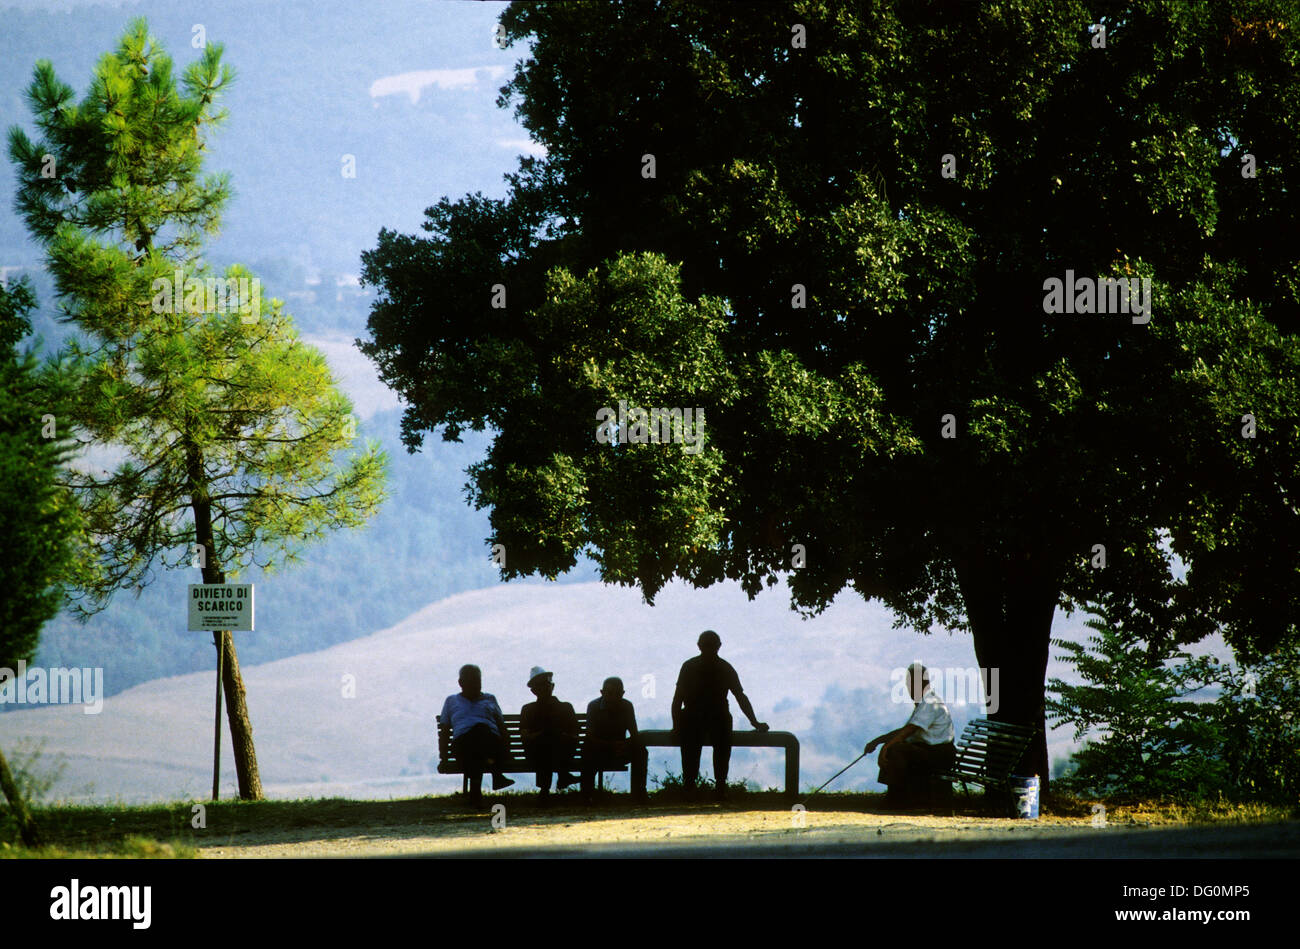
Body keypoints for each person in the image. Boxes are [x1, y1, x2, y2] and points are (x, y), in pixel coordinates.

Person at [671, 630, 768, 800]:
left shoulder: (691, 666)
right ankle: (717, 787)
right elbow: (740, 697)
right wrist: (755, 722)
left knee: (693, 751)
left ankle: (693, 787)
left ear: (699, 646)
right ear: (719, 646)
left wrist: (676, 725)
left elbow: (677, 700)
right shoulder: (723, 667)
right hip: (710, 717)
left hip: (701, 717)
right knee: (713, 749)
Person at [863, 662, 956, 809]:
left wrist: (886, 747)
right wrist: (878, 741)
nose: (909, 688)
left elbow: (909, 730)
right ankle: (897, 797)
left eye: (911, 683)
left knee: (896, 749)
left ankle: (896, 798)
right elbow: (905, 730)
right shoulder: (924, 703)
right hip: (930, 752)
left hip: (940, 754)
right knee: (897, 747)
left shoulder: (930, 702)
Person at [440, 664, 515, 807]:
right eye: (471, 681)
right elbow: (444, 731)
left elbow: (501, 726)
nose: (476, 685)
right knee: (477, 736)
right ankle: (496, 776)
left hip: (490, 744)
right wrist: (443, 758)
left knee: (481, 734)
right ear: (461, 683)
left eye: (477, 681)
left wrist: (507, 749)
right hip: (464, 745)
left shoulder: (490, 699)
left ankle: (475, 793)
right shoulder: (451, 701)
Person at [580, 677, 649, 804]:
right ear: (602, 693)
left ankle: (640, 793)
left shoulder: (627, 706)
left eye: (617, 694)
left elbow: (634, 733)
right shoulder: (594, 707)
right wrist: (610, 745)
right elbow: (590, 736)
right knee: (588, 748)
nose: (613, 697)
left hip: (619, 750)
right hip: (599, 749)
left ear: (622, 694)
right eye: (610, 693)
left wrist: (624, 745)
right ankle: (586, 795)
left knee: (640, 750)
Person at [520, 666, 580, 804]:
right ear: (534, 690)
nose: (545, 688)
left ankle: (545, 790)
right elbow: (525, 736)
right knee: (546, 741)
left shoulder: (565, 708)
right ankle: (563, 775)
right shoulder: (528, 710)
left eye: (546, 685)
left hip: (558, 751)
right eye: (540, 685)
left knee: (550, 740)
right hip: (540, 753)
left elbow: (574, 733)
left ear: (552, 686)